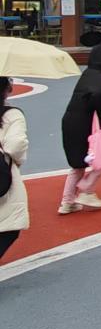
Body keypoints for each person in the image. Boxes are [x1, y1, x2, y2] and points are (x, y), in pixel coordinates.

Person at [59, 42, 101, 213]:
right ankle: (87, 189)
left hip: (71, 122)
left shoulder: (88, 73)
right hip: (85, 125)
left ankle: (67, 201)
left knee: (78, 165)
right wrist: (100, 112)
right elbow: (98, 95)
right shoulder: (100, 77)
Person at [0, 76, 29, 260]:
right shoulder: (11, 115)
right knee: (8, 227)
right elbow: (15, 145)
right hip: (3, 172)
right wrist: (16, 161)